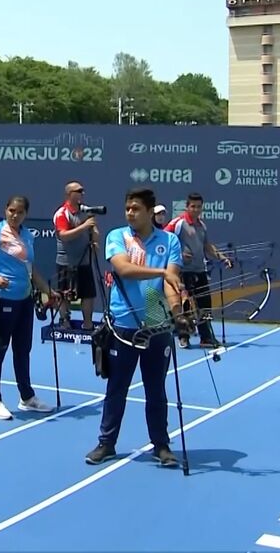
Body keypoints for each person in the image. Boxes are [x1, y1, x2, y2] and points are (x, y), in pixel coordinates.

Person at [86, 187, 185, 468]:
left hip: (156, 316)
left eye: (136, 209)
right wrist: (161, 271)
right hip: (124, 320)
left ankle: (161, 445)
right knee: (117, 387)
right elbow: (124, 269)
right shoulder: (118, 236)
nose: (130, 213)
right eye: (128, 208)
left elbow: (170, 282)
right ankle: (107, 443)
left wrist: (178, 314)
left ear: (150, 211)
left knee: (156, 389)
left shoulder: (169, 240)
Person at [0, 195, 57, 420]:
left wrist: (47, 290)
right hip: (1, 299)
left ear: (26, 214)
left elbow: (30, 268)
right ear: (6, 210)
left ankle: (27, 397)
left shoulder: (27, 236)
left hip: (25, 300)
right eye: (11, 211)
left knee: (23, 349)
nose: (15, 215)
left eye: (20, 212)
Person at [164, 192, 232, 349]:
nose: (196, 209)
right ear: (187, 207)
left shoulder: (202, 225)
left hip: (200, 270)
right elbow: (163, 241)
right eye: (193, 206)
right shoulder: (178, 223)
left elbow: (207, 246)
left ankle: (206, 337)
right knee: (186, 306)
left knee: (205, 305)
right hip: (183, 271)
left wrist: (222, 258)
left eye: (199, 207)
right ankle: (184, 337)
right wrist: (179, 254)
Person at [52, 181, 98, 330]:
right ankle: (65, 321)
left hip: (84, 260)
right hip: (66, 261)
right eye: (79, 191)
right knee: (63, 293)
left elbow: (93, 231)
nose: (82, 193)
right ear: (69, 194)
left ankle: (88, 324)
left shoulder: (85, 211)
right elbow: (64, 236)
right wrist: (84, 226)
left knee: (88, 293)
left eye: (82, 191)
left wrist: (94, 237)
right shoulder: (62, 213)